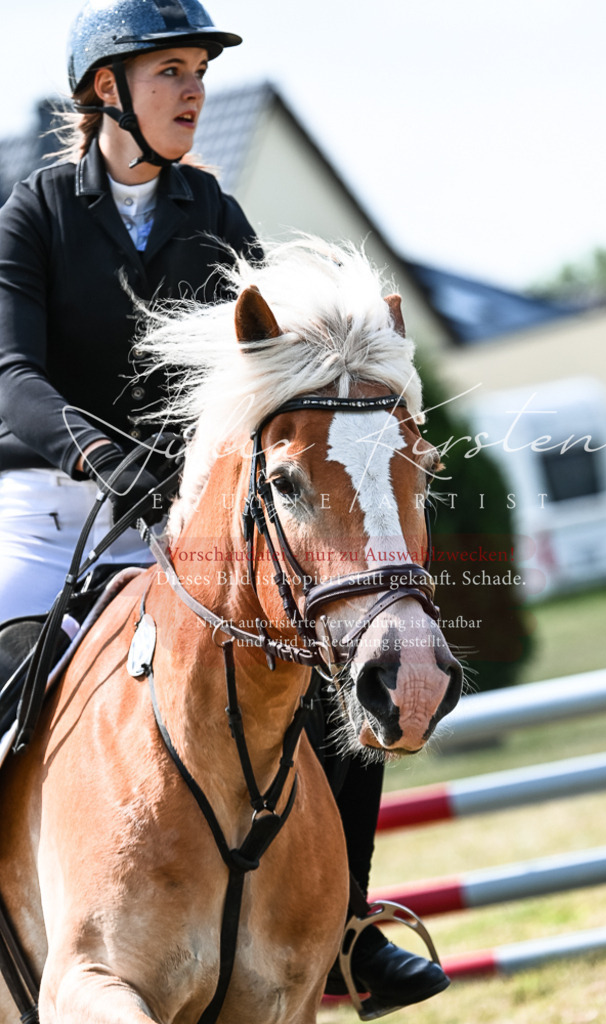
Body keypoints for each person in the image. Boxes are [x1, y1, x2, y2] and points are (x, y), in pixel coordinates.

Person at [0, 0, 448, 1014]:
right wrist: (98, 453)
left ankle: (348, 927)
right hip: (51, 496)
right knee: (6, 645)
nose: (195, 88)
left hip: (188, 508)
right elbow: (10, 374)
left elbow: (275, 371)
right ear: (105, 90)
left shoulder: (215, 214)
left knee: (327, 677)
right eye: (170, 70)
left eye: (199, 68)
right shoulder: (36, 211)